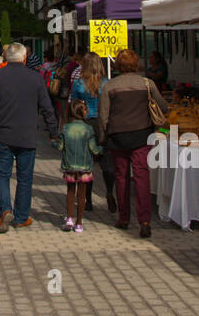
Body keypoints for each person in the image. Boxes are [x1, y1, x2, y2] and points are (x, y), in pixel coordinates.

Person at [0, 42, 57, 231]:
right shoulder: (35, 78)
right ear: (24, 58)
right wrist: (54, 131)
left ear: (6, 58)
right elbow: (46, 106)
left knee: (1, 174)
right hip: (27, 133)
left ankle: (5, 209)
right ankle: (21, 216)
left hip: (2, 132)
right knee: (25, 176)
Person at [98, 48, 169, 239]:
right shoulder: (147, 83)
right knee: (141, 176)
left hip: (117, 135)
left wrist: (103, 137)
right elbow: (163, 106)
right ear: (136, 64)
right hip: (142, 134)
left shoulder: (110, 86)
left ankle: (123, 218)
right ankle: (145, 220)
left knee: (121, 177)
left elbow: (103, 115)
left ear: (117, 65)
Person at [69, 51, 112, 213]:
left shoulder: (79, 84)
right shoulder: (106, 83)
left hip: (84, 123)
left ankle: (87, 200)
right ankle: (109, 190)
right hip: (101, 123)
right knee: (106, 161)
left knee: (86, 164)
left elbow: (73, 105)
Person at [54, 100, 102, 235]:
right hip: (85, 166)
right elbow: (93, 149)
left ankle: (69, 218)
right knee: (82, 195)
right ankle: (79, 222)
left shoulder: (65, 128)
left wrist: (54, 142)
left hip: (69, 165)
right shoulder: (89, 129)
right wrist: (101, 149)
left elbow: (60, 147)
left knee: (70, 192)